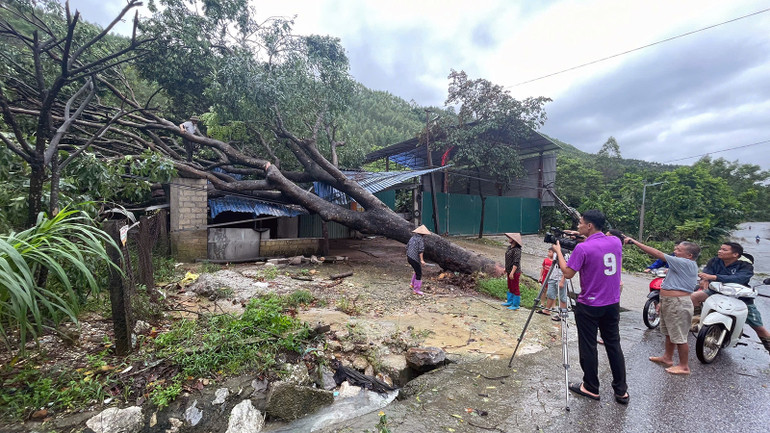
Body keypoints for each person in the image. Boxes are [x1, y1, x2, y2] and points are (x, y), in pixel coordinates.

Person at [553, 209, 628, 404]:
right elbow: (599, 243)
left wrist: (559, 251)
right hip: (612, 303)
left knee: (588, 346)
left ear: (589, 225)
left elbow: (568, 273)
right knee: (613, 344)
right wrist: (580, 236)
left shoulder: (582, 249)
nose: (578, 225)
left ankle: (591, 387)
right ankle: (621, 391)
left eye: (580, 223)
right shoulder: (616, 242)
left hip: (590, 305)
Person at [626, 236, 700, 375]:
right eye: (676, 248)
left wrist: (635, 242)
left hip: (678, 303)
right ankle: (667, 357)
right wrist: (661, 302)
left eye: (679, 249)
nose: (675, 251)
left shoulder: (685, 263)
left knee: (679, 336)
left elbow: (658, 254)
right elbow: (670, 284)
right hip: (669, 301)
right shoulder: (678, 265)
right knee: (668, 332)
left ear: (689, 255)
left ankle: (684, 366)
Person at [692, 242, 770, 355]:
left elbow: (739, 278)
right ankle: (697, 322)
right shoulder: (715, 261)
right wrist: (704, 280)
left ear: (735, 254)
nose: (720, 251)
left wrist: (714, 277)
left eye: (724, 250)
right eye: (720, 249)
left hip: (740, 297)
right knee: (694, 297)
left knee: (759, 328)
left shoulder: (745, 265)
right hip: (717, 291)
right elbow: (706, 272)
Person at [537, 246, 566, 321]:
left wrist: (562, 280)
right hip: (553, 276)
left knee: (562, 296)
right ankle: (547, 310)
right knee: (550, 294)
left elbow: (567, 268)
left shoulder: (566, 254)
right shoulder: (555, 254)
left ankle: (562, 314)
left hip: (561, 277)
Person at [501, 233, 523, 311]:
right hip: (509, 270)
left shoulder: (517, 250)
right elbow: (508, 259)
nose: (509, 239)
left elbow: (516, 262)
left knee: (515, 287)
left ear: (514, 240)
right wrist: (506, 268)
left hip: (515, 271)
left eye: (510, 238)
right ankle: (510, 301)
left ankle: (516, 304)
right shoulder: (509, 248)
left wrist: (512, 272)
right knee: (510, 286)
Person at [406, 225, 430, 295]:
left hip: (409, 257)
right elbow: (420, 250)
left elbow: (407, 247)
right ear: (424, 234)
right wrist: (422, 260)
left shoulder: (412, 238)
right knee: (419, 273)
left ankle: (412, 284)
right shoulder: (420, 240)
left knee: (416, 271)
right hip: (414, 258)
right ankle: (416, 290)